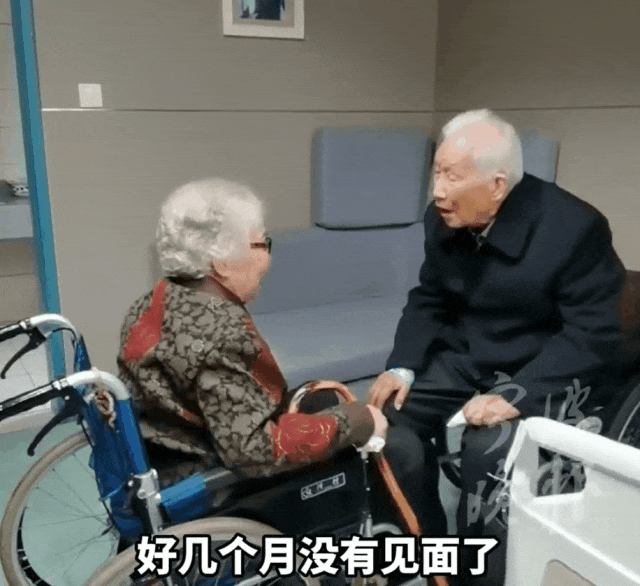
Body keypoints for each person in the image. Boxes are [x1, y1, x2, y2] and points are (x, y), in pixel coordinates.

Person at [367, 110, 626, 584]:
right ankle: (426, 551)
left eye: (452, 177)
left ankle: (482, 573)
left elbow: (594, 334)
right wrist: (402, 366)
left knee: (488, 447)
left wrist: (516, 396)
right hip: (471, 352)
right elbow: (430, 298)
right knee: (389, 422)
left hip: (540, 362)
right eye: (436, 173)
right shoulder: (443, 218)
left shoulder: (574, 227)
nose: (437, 191)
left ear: (497, 186)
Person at [117, 178, 430, 534]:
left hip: (172, 451)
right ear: (222, 262)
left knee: (325, 400)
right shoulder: (220, 332)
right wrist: (358, 421)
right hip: (216, 487)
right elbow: (253, 451)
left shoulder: (150, 303)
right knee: (401, 448)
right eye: (261, 243)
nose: (267, 258)